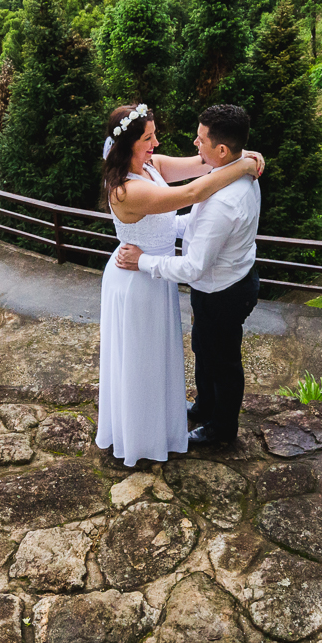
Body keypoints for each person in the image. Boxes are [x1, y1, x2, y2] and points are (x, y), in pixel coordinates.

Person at [96, 103, 262, 467]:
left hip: (156, 274)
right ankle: (140, 435)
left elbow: (205, 163)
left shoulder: (151, 166)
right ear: (127, 144)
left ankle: (171, 417)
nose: (156, 142)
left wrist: (242, 154)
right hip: (137, 278)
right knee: (141, 360)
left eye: (155, 133)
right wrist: (244, 166)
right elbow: (192, 194)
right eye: (148, 137)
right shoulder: (126, 189)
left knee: (160, 355)